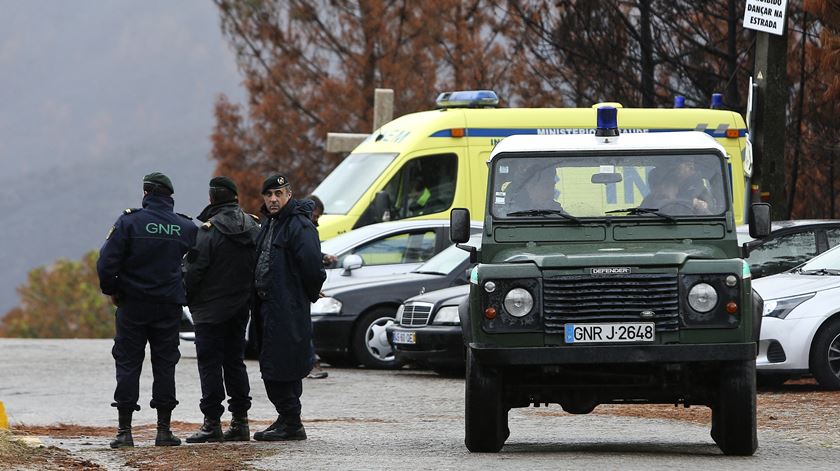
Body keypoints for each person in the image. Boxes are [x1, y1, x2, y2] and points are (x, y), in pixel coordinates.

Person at [96, 172, 197, 448]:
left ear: (146, 194)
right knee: (165, 364)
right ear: (170, 197)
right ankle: (163, 430)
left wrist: (113, 290)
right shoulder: (186, 228)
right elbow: (199, 265)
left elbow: (106, 263)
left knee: (128, 363)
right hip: (168, 306)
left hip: (133, 304)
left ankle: (125, 431)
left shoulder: (130, 222)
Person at [183, 176, 260, 443]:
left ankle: (212, 423)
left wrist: (187, 299)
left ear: (212, 199)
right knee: (235, 363)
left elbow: (194, 271)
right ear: (235, 198)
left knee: (210, 365)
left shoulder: (207, 231)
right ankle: (240, 421)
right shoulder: (253, 226)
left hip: (209, 311)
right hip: (241, 308)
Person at [252, 174, 327, 441]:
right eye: (269, 194)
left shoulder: (298, 226)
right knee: (276, 363)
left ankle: (292, 422)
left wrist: (303, 295)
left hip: (286, 306)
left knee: (280, 365)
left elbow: (312, 266)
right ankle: (286, 418)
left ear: (289, 195)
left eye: (278, 194)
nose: (273, 199)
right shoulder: (270, 223)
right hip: (268, 306)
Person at [304, 194, 332, 380]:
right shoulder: (304, 229)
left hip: (300, 288)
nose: (317, 222)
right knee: (303, 327)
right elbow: (306, 258)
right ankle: (310, 362)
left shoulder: (302, 227)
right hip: (298, 289)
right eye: (316, 217)